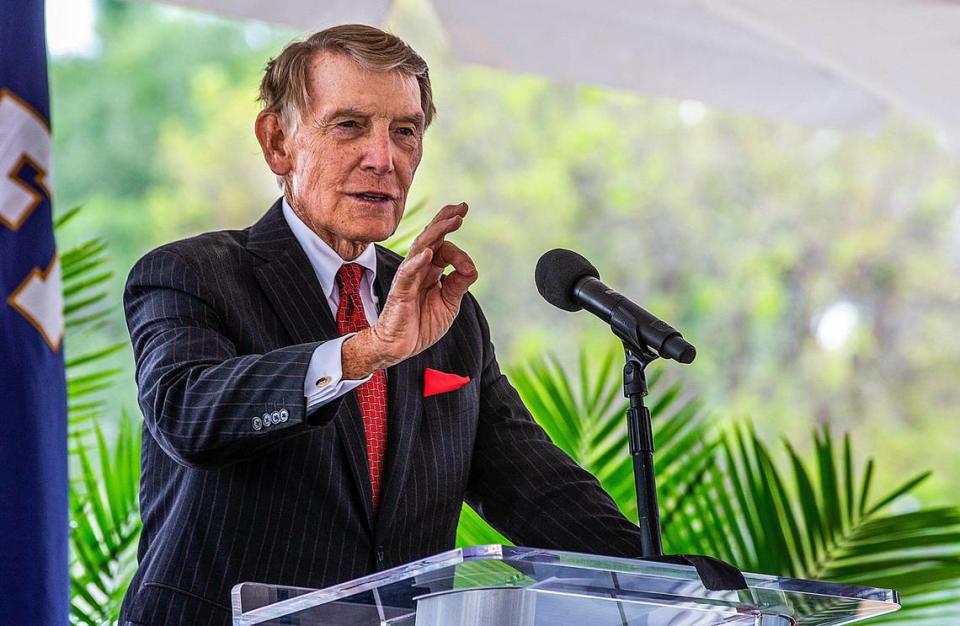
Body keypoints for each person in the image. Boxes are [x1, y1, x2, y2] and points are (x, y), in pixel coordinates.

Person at [119, 24, 642, 626]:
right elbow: (187, 416)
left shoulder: (445, 309)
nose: (383, 158)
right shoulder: (190, 273)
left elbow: (529, 483)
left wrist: (667, 579)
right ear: (277, 143)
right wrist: (363, 352)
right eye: (349, 126)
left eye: (405, 132)